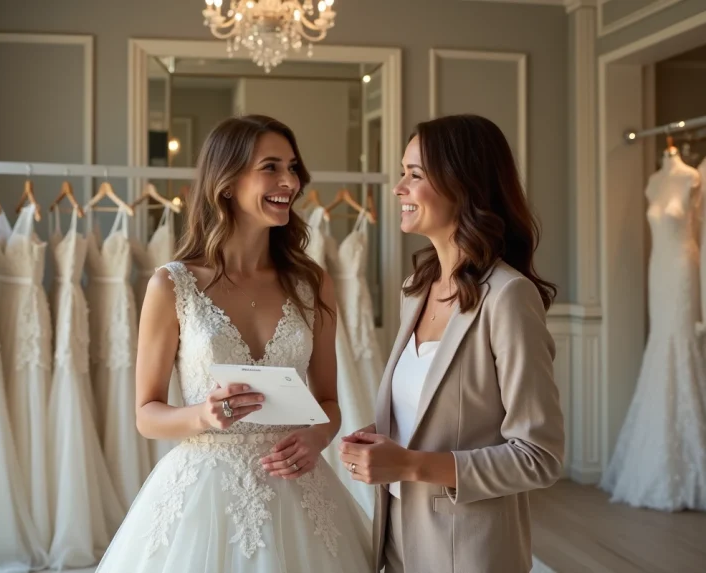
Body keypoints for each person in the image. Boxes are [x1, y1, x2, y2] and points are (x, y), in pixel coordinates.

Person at [95, 114, 373, 573]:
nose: (290, 181)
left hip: (299, 492)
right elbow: (147, 415)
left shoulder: (312, 283)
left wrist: (318, 435)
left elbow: (327, 401)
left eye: (293, 167)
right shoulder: (172, 285)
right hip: (205, 495)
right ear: (226, 183)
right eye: (271, 167)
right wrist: (203, 415)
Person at [339, 114, 565, 573]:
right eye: (403, 172)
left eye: (415, 175)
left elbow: (539, 457)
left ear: (464, 186)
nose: (399, 188)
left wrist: (410, 464)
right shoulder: (416, 289)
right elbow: (432, 418)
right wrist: (383, 439)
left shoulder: (508, 297)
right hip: (398, 536)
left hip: (469, 551)